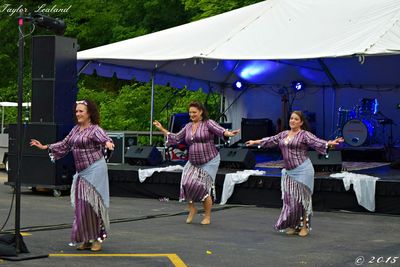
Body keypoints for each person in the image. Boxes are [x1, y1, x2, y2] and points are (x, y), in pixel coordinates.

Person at [30, 99, 114, 251]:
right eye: (77, 111)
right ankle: (86, 238)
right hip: (82, 172)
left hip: (96, 170)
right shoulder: (75, 129)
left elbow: (105, 139)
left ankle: (97, 239)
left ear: (89, 114)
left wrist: (108, 144)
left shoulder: (95, 129)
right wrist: (45, 146)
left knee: (93, 205)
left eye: (81, 111)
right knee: (81, 206)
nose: (78, 114)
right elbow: (64, 144)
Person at [246, 111, 343, 237]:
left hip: (303, 170)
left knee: (303, 200)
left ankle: (305, 227)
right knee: (291, 200)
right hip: (289, 172)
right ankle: (293, 225)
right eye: (291, 118)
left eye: (296, 119)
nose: (292, 121)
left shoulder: (304, 135)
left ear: (301, 122)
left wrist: (329, 143)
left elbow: (317, 142)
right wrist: (254, 142)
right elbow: (270, 140)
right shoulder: (284, 134)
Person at [153, 101, 239, 225]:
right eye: (190, 112)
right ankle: (192, 209)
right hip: (193, 161)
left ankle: (207, 216)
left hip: (210, 160)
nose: (192, 114)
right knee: (187, 183)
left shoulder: (208, 123)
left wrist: (229, 133)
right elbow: (176, 138)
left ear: (201, 112)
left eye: (194, 112)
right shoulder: (188, 126)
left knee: (203, 188)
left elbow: (220, 130)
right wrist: (161, 129)